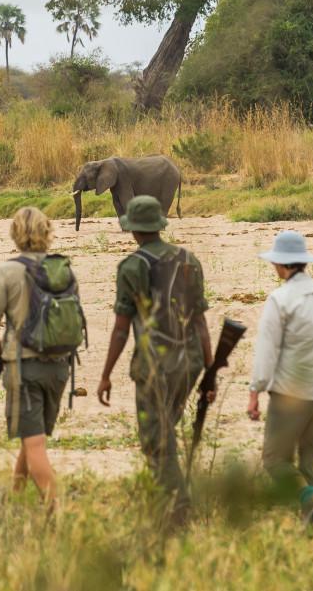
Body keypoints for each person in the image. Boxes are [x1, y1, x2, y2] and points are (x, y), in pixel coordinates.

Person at [95, 194, 212, 527]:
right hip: (190, 362)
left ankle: (178, 506)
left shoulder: (132, 267)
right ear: (159, 226)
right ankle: (166, 498)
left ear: (133, 230)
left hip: (153, 365)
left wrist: (105, 375)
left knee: (155, 438)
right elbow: (201, 320)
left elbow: (121, 328)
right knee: (165, 433)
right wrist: (210, 367)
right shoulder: (189, 259)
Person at [246, 230, 313, 525]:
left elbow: (267, 351)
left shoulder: (280, 299)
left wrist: (255, 391)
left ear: (282, 265)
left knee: (275, 460)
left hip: (291, 394)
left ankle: (308, 500)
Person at [0, 206, 71, 509]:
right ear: (47, 232)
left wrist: (0, 352)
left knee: (34, 444)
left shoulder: (7, 271)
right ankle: (14, 497)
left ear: (15, 233)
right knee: (33, 436)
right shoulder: (62, 269)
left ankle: (57, 508)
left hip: (24, 368)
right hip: (59, 369)